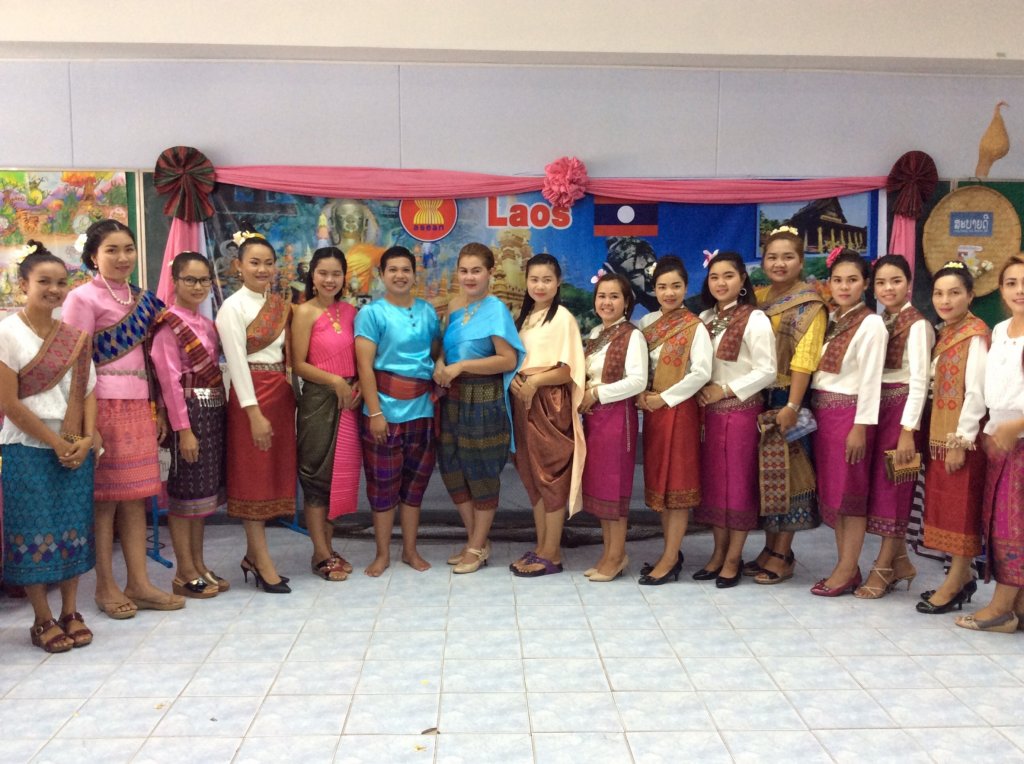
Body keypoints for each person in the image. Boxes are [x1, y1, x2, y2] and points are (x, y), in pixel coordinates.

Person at [62, 219, 184, 617]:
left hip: (138, 407)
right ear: (93, 256)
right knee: (105, 503)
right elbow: (77, 364)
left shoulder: (143, 299)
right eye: (111, 250)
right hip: (101, 408)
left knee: (135, 498)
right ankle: (105, 586)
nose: (122, 257)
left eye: (128, 249)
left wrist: (158, 408)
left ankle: (139, 583)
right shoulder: (82, 299)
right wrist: (87, 424)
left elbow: (154, 360)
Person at [0, 242, 97, 651]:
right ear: (24, 284)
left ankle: (71, 611)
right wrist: (56, 441)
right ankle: (42, 618)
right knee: (33, 533)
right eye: (44, 281)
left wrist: (86, 438)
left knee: (72, 531)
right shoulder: (7, 333)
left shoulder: (74, 338)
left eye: (61, 283)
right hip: (26, 448)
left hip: (73, 447)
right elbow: (9, 404)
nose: (54, 290)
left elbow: (88, 390)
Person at [434, 243, 524, 575]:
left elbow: (508, 360)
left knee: (482, 473)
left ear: (490, 273)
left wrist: (462, 366)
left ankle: (475, 546)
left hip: (484, 398)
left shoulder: (496, 309)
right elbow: (444, 348)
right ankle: (478, 540)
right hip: (452, 398)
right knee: (453, 469)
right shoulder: (454, 305)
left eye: (476, 271)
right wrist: (441, 363)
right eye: (464, 271)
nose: (469, 277)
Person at [215, 226, 296, 594]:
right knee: (252, 479)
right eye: (254, 263)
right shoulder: (232, 308)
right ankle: (263, 562)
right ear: (238, 266)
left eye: (268, 263)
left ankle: (252, 555)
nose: (262, 269)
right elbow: (236, 363)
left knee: (270, 477)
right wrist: (253, 412)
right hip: (251, 399)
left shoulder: (279, 305)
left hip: (279, 396)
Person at [355, 246, 441, 576]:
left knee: (414, 487)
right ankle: (382, 554)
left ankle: (410, 550)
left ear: (415, 275)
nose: (400, 275)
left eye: (406, 270)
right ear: (382, 275)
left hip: (422, 411)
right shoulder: (372, 314)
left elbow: (435, 352)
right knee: (382, 486)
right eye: (393, 270)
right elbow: (365, 367)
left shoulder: (427, 312)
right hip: (384, 412)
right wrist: (376, 413)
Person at [748, 227, 826, 585]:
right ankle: (768, 548)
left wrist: (793, 404)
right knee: (769, 476)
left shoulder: (810, 305)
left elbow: (804, 360)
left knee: (791, 475)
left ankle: (783, 554)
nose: (779, 264)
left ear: (801, 261)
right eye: (772, 257)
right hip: (759, 394)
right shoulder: (759, 297)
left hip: (787, 396)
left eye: (788, 257)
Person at [149, 252, 228, 599]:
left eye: (204, 280)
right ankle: (183, 572)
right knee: (184, 497)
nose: (198, 286)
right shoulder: (169, 324)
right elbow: (169, 380)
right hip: (188, 416)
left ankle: (199, 564)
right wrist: (183, 430)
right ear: (175, 282)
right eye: (190, 280)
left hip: (212, 412)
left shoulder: (206, 324)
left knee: (202, 498)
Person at [694, 251, 776, 588]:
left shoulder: (755, 319)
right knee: (714, 485)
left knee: (738, 486)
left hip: (741, 412)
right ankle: (718, 553)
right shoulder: (703, 318)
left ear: (742, 280)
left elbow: (768, 371)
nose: (721, 283)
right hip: (708, 415)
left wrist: (725, 389)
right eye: (714, 277)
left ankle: (733, 558)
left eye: (728, 276)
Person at [808, 249, 886, 596]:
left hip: (849, 418)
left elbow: (870, 379)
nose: (843, 286)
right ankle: (846, 567)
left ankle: (846, 569)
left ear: (865, 284)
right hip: (825, 418)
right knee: (835, 497)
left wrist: (861, 426)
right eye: (837, 280)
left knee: (851, 497)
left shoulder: (870, 323)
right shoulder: (831, 319)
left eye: (852, 280)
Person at [856, 254, 934, 599]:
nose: (888, 288)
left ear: (909, 284)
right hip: (881, 411)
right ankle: (900, 561)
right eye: (881, 283)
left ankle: (884, 567)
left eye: (896, 281)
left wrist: (907, 432)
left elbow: (919, 381)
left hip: (903, 415)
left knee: (896, 491)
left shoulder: (917, 325)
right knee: (883, 489)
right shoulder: (880, 321)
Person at [954, 254, 1024, 632]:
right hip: (1001, 438)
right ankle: (1018, 605)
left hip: (1020, 439)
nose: (1019, 290)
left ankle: (1000, 608)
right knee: (999, 523)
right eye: (1012, 283)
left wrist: (1016, 426)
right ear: (1000, 289)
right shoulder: (999, 331)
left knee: (1013, 527)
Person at [916, 261, 989, 615]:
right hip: (941, 434)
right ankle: (961, 577)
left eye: (954, 293)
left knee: (961, 510)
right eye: (939, 293)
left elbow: (976, 393)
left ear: (970, 295)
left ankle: (957, 579)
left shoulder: (975, 335)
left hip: (963, 439)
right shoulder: (945, 332)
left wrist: (960, 441)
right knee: (946, 507)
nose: (945, 300)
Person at [509, 254, 586, 577]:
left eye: (547, 280)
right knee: (531, 475)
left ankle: (553, 552)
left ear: (558, 283)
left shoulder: (563, 318)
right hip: (522, 400)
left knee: (550, 476)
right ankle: (542, 546)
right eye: (534, 279)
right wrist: (516, 380)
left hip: (549, 402)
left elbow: (569, 369)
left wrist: (535, 381)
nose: (539, 286)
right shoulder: (525, 318)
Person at [637, 255, 712, 585]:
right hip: (653, 412)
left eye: (676, 286)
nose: (669, 293)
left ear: (686, 288)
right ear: (654, 289)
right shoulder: (646, 322)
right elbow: (638, 365)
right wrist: (642, 393)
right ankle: (670, 551)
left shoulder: (695, 326)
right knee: (661, 485)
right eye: (662, 287)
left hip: (679, 411)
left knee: (678, 484)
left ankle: (669, 558)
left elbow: (702, 373)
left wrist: (664, 398)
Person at [292, 247, 361, 581]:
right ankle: (320, 553)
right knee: (316, 475)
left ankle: (328, 549)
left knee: (338, 476)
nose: (329, 280)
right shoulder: (304, 312)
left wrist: (357, 384)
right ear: (312, 275)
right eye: (323, 273)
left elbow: (362, 356)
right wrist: (335, 381)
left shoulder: (352, 312)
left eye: (336, 274)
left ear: (344, 277)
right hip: (319, 401)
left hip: (349, 401)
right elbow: (298, 364)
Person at [579, 271, 647, 582]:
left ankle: (617, 555)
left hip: (617, 418)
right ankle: (609, 553)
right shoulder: (596, 334)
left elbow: (637, 381)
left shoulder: (632, 336)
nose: (607, 302)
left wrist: (596, 394)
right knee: (601, 490)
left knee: (614, 489)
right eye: (602, 296)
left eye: (614, 296)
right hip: (594, 420)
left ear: (627, 302)